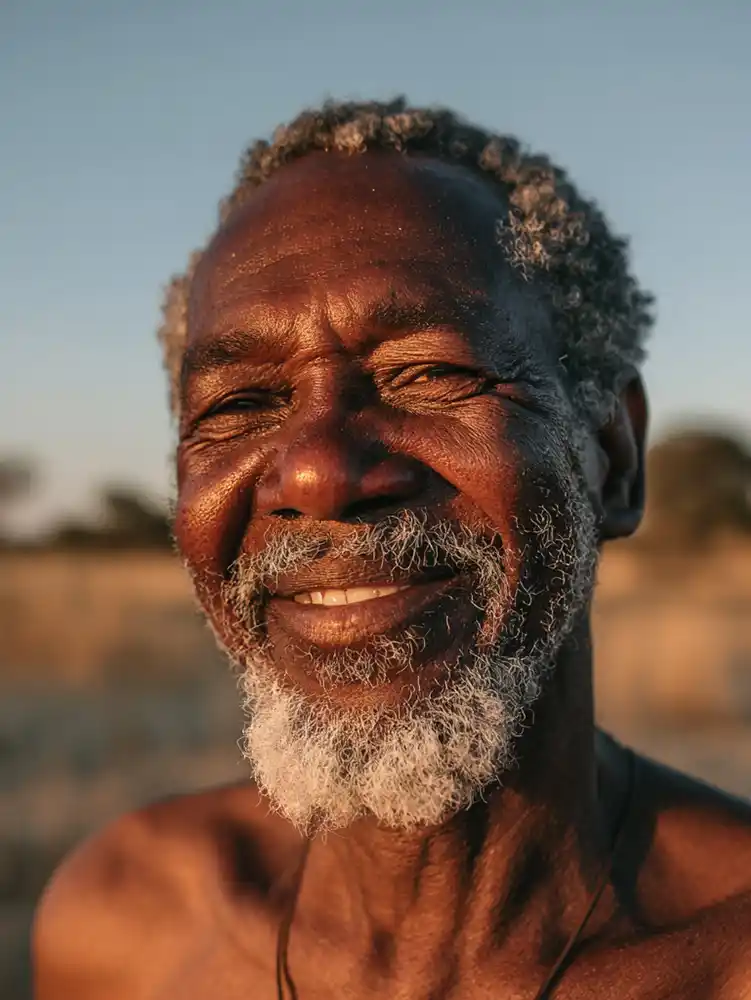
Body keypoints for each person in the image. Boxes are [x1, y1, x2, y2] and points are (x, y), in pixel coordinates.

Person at [33, 98, 751, 999]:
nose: (317, 474)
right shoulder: (124, 926)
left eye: (430, 373)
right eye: (238, 406)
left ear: (609, 458)